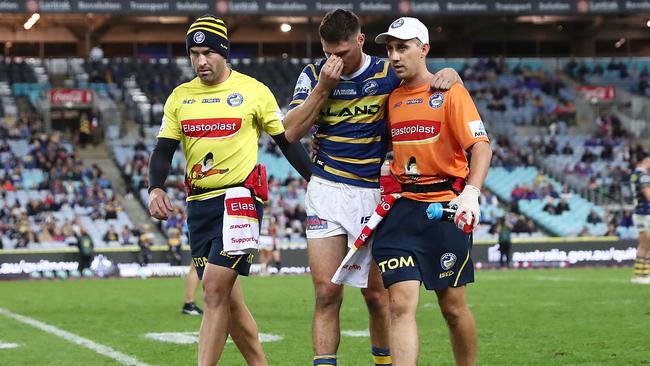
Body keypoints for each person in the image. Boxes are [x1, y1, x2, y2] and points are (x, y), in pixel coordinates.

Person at [283, 9, 461, 366]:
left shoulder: (385, 71)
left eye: (343, 53)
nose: (335, 60)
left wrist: (451, 74)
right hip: (327, 190)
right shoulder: (314, 75)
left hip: (374, 194)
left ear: (360, 41)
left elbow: (423, 85)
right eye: (328, 52)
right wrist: (323, 89)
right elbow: (289, 132)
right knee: (326, 292)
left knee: (377, 296)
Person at [147, 14, 311, 365]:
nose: (201, 61)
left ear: (225, 52)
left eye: (208, 52)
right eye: (194, 54)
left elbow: (286, 142)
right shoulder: (180, 96)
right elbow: (163, 150)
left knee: (214, 289)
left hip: (240, 200)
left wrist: (316, 179)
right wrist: (155, 188)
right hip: (199, 205)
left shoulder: (254, 91)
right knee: (229, 301)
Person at [372, 17, 492, 365]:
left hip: (445, 210)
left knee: (452, 308)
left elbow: (481, 146)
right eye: (390, 48)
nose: (394, 56)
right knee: (399, 304)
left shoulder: (450, 92)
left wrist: (472, 193)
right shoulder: (391, 98)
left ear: (423, 49)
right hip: (401, 211)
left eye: (403, 47)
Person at [631, 156, 650, 284]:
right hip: (646, 212)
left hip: (638, 212)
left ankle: (639, 275)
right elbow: (648, 194)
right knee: (647, 244)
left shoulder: (633, 175)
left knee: (643, 244)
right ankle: (645, 274)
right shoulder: (643, 176)